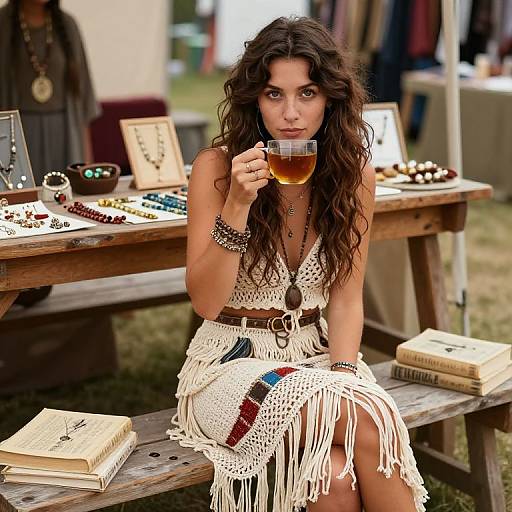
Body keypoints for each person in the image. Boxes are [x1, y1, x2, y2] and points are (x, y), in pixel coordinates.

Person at [169, 17, 429, 512]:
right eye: (274, 94)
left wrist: (344, 371)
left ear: (330, 96)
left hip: (319, 355)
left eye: (306, 93)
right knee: (368, 421)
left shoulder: (353, 175)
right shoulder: (218, 169)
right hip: (231, 363)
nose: (290, 113)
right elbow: (205, 302)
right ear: (254, 98)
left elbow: (347, 298)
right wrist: (237, 208)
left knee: (332, 475)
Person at [0, 0, 100, 186]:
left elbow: (83, 99)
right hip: (16, 138)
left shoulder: (67, 25)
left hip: (64, 135)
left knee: (66, 205)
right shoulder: (3, 24)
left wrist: (86, 162)